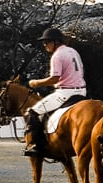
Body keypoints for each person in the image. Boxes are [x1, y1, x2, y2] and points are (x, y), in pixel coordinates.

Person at [23, 28, 87, 157]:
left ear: (56, 42)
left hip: (64, 94)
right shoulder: (73, 52)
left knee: (32, 113)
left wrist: (35, 83)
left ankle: (37, 146)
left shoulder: (57, 55)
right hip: (81, 92)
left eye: (47, 42)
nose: (45, 45)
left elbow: (54, 79)